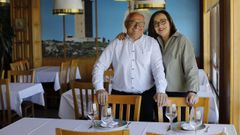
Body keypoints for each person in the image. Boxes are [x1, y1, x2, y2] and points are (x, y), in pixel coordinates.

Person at [92, 11, 167, 121]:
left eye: (141, 23)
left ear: (144, 26)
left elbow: (158, 69)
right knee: (118, 130)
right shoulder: (116, 43)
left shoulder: (152, 43)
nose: (137, 26)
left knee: (144, 130)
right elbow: (99, 66)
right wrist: (99, 88)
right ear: (126, 24)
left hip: (145, 98)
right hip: (119, 98)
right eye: (133, 22)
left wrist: (161, 90)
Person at [117, 10, 199, 106]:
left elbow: (191, 68)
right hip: (157, 93)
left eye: (163, 21)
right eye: (156, 23)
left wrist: (193, 91)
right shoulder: (152, 42)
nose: (160, 26)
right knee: (158, 121)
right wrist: (125, 36)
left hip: (178, 94)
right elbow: (136, 38)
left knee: (178, 121)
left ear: (170, 22)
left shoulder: (182, 41)